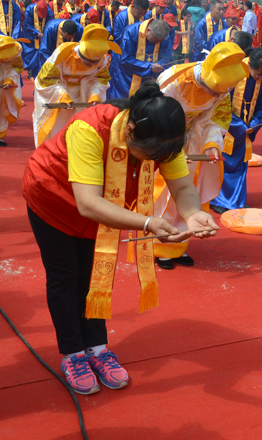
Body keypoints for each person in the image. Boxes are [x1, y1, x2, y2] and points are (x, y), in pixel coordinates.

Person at [23, 82, 218, 394]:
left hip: (105, 209)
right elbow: (88, 203)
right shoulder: (89, 128)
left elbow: (182, 187)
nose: (151, 162)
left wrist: (193, 213)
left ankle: (97, 348)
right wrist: (148, 222)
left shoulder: (161, 138)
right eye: (147, 156)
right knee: (65, 277)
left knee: (95, 275)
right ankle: (73, 353)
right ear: (128, 131)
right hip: (54, 199)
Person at [154, 42, 248, 268]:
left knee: (190, 190)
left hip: (194, 139)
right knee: (165, 191)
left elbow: (215, 118)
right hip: (166, 136)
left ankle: (180, 244)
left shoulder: (222, 86)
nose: (216, 95)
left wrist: (212, 143)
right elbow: (158, 115)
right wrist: (171, 147)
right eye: (213, 91)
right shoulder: (173, 80)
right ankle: (159, 245)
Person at [210, 48, 262, 212]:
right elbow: (219, 101)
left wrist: (254, 124)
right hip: (225, 124)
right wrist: (238, 125)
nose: (260, 78)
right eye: (258, 74)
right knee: (222, 162)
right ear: (250, 65)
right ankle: (218, 200)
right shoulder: (234, 72)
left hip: (246, 126)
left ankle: (235, 200)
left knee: (239, 163)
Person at [33, 24, 117, 146]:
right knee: (57, 130)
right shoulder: (63, 53)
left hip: (83, 95)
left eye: (94, 63)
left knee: (80, 131)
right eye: (87, 63)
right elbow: (46, 79)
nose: (90, 66)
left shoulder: (102, 58)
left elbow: (100, 79)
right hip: (60, 93)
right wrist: (62, 95)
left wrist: (95, 94)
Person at [108, 19, 173, 100]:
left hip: (152, 76)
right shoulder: (130, 31)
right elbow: (125, 59)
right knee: (126, 101)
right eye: (154, 40)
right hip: (129, 76)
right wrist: (149, 67)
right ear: (148, 30)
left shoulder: (164, 36)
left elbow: (167, 57)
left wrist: (161, 64)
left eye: (159, 42)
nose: (156, 44)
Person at [21, 0, 53, 78]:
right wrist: (37, 33)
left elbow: (49, 25)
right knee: (31, 53)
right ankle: (31, 70)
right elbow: (27, 25)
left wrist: (44, 34)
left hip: (43, 34)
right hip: (30, 34)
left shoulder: (49, 12)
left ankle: (40, 70)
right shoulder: (29, 10)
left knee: (42, 51)